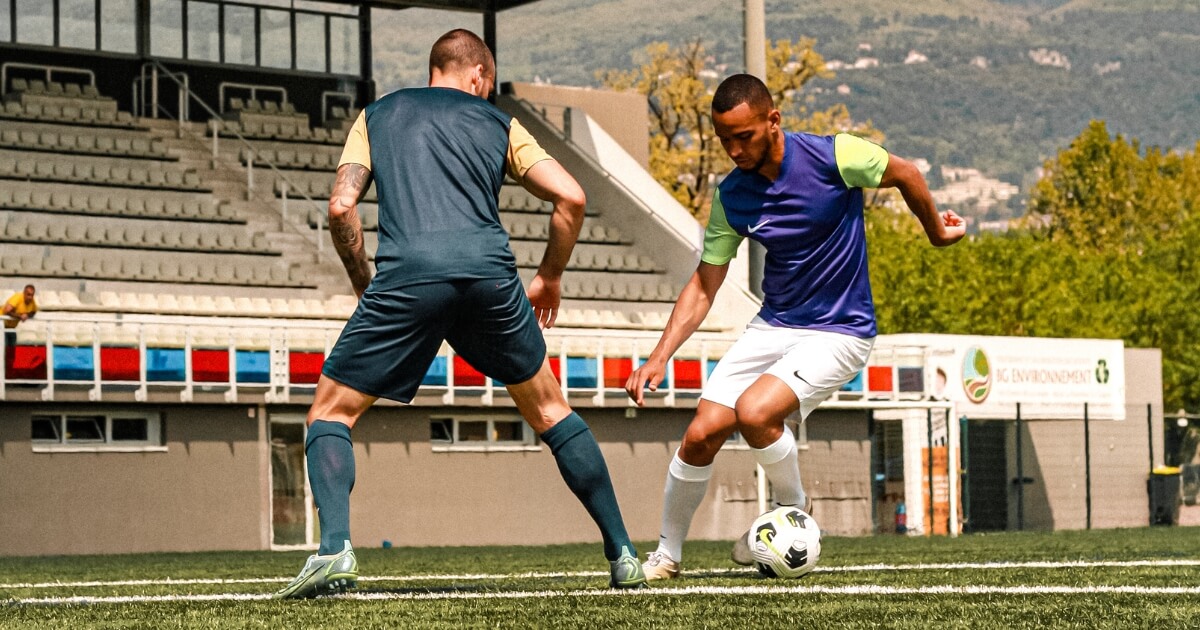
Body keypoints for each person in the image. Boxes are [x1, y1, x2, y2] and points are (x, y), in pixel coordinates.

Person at [273, 29, 645, 599]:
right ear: (478, 76)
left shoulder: (376, 116)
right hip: (489, 276)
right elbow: (571, 196)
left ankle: (334, 552)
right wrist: (548, 276)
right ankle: (622, 553)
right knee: (550, 410)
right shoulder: (497, 124)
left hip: (408, 276)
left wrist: (365, 285)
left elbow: (341, 205)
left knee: (330, 412)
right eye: (487, 85)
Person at [625, 74, 965, 580]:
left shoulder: (836, 156)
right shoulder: (732, 197)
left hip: (841, 329)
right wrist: (659, 354)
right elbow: (704, 285)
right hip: (774, 324)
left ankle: (796, 511)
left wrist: (937, 230)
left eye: (744, 136)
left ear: (773, 120)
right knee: (700, 434)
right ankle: (667, 556)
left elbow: (908, 173)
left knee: (755, 413)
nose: (734, 150)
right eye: (724, 139)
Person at [3, 284, 38, 349]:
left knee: (12, 348)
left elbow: (34, 311)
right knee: (3, 348)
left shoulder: (32, 301)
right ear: (24, 293)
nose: (30, 297)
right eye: (28, 294)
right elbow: (6, 311)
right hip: (2, 324)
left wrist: (27, 315)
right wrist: (20, 316)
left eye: (32, 295)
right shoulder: (17, 297)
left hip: (12, 327)